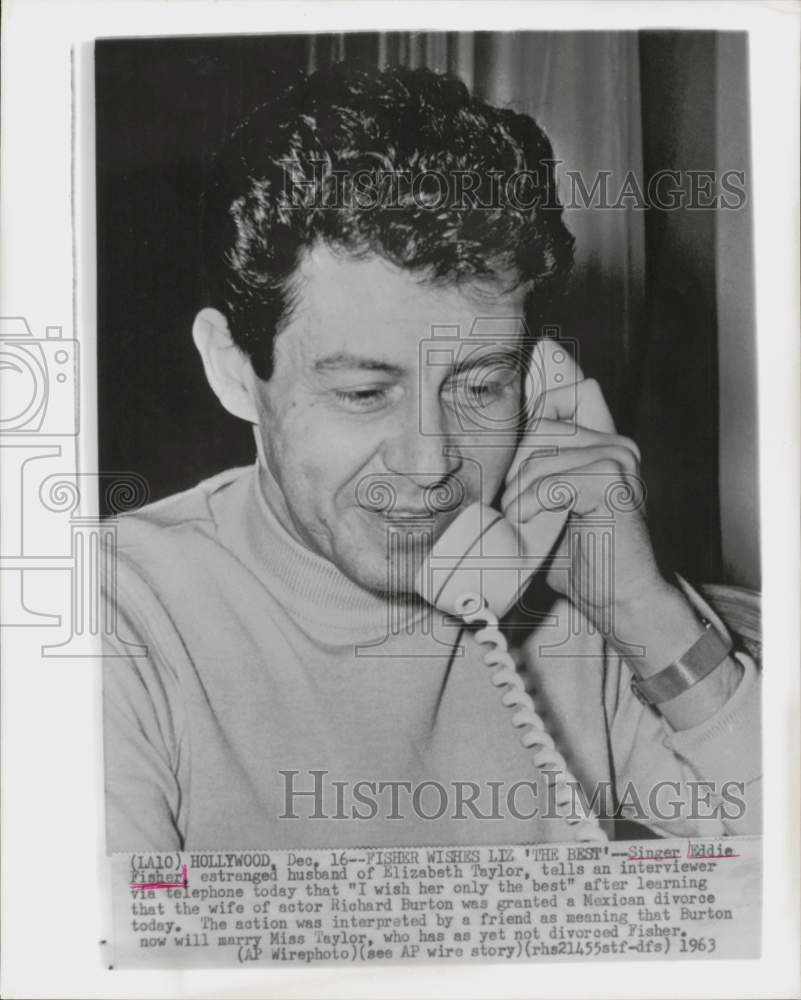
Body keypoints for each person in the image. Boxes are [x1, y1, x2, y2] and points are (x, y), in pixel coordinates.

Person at [103, 62, 760, 851]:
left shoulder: (572, 594)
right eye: (362, 394)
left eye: (480, 388)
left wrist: (637, 609)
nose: (429, 463)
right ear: (234, 369)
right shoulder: (116, 615)